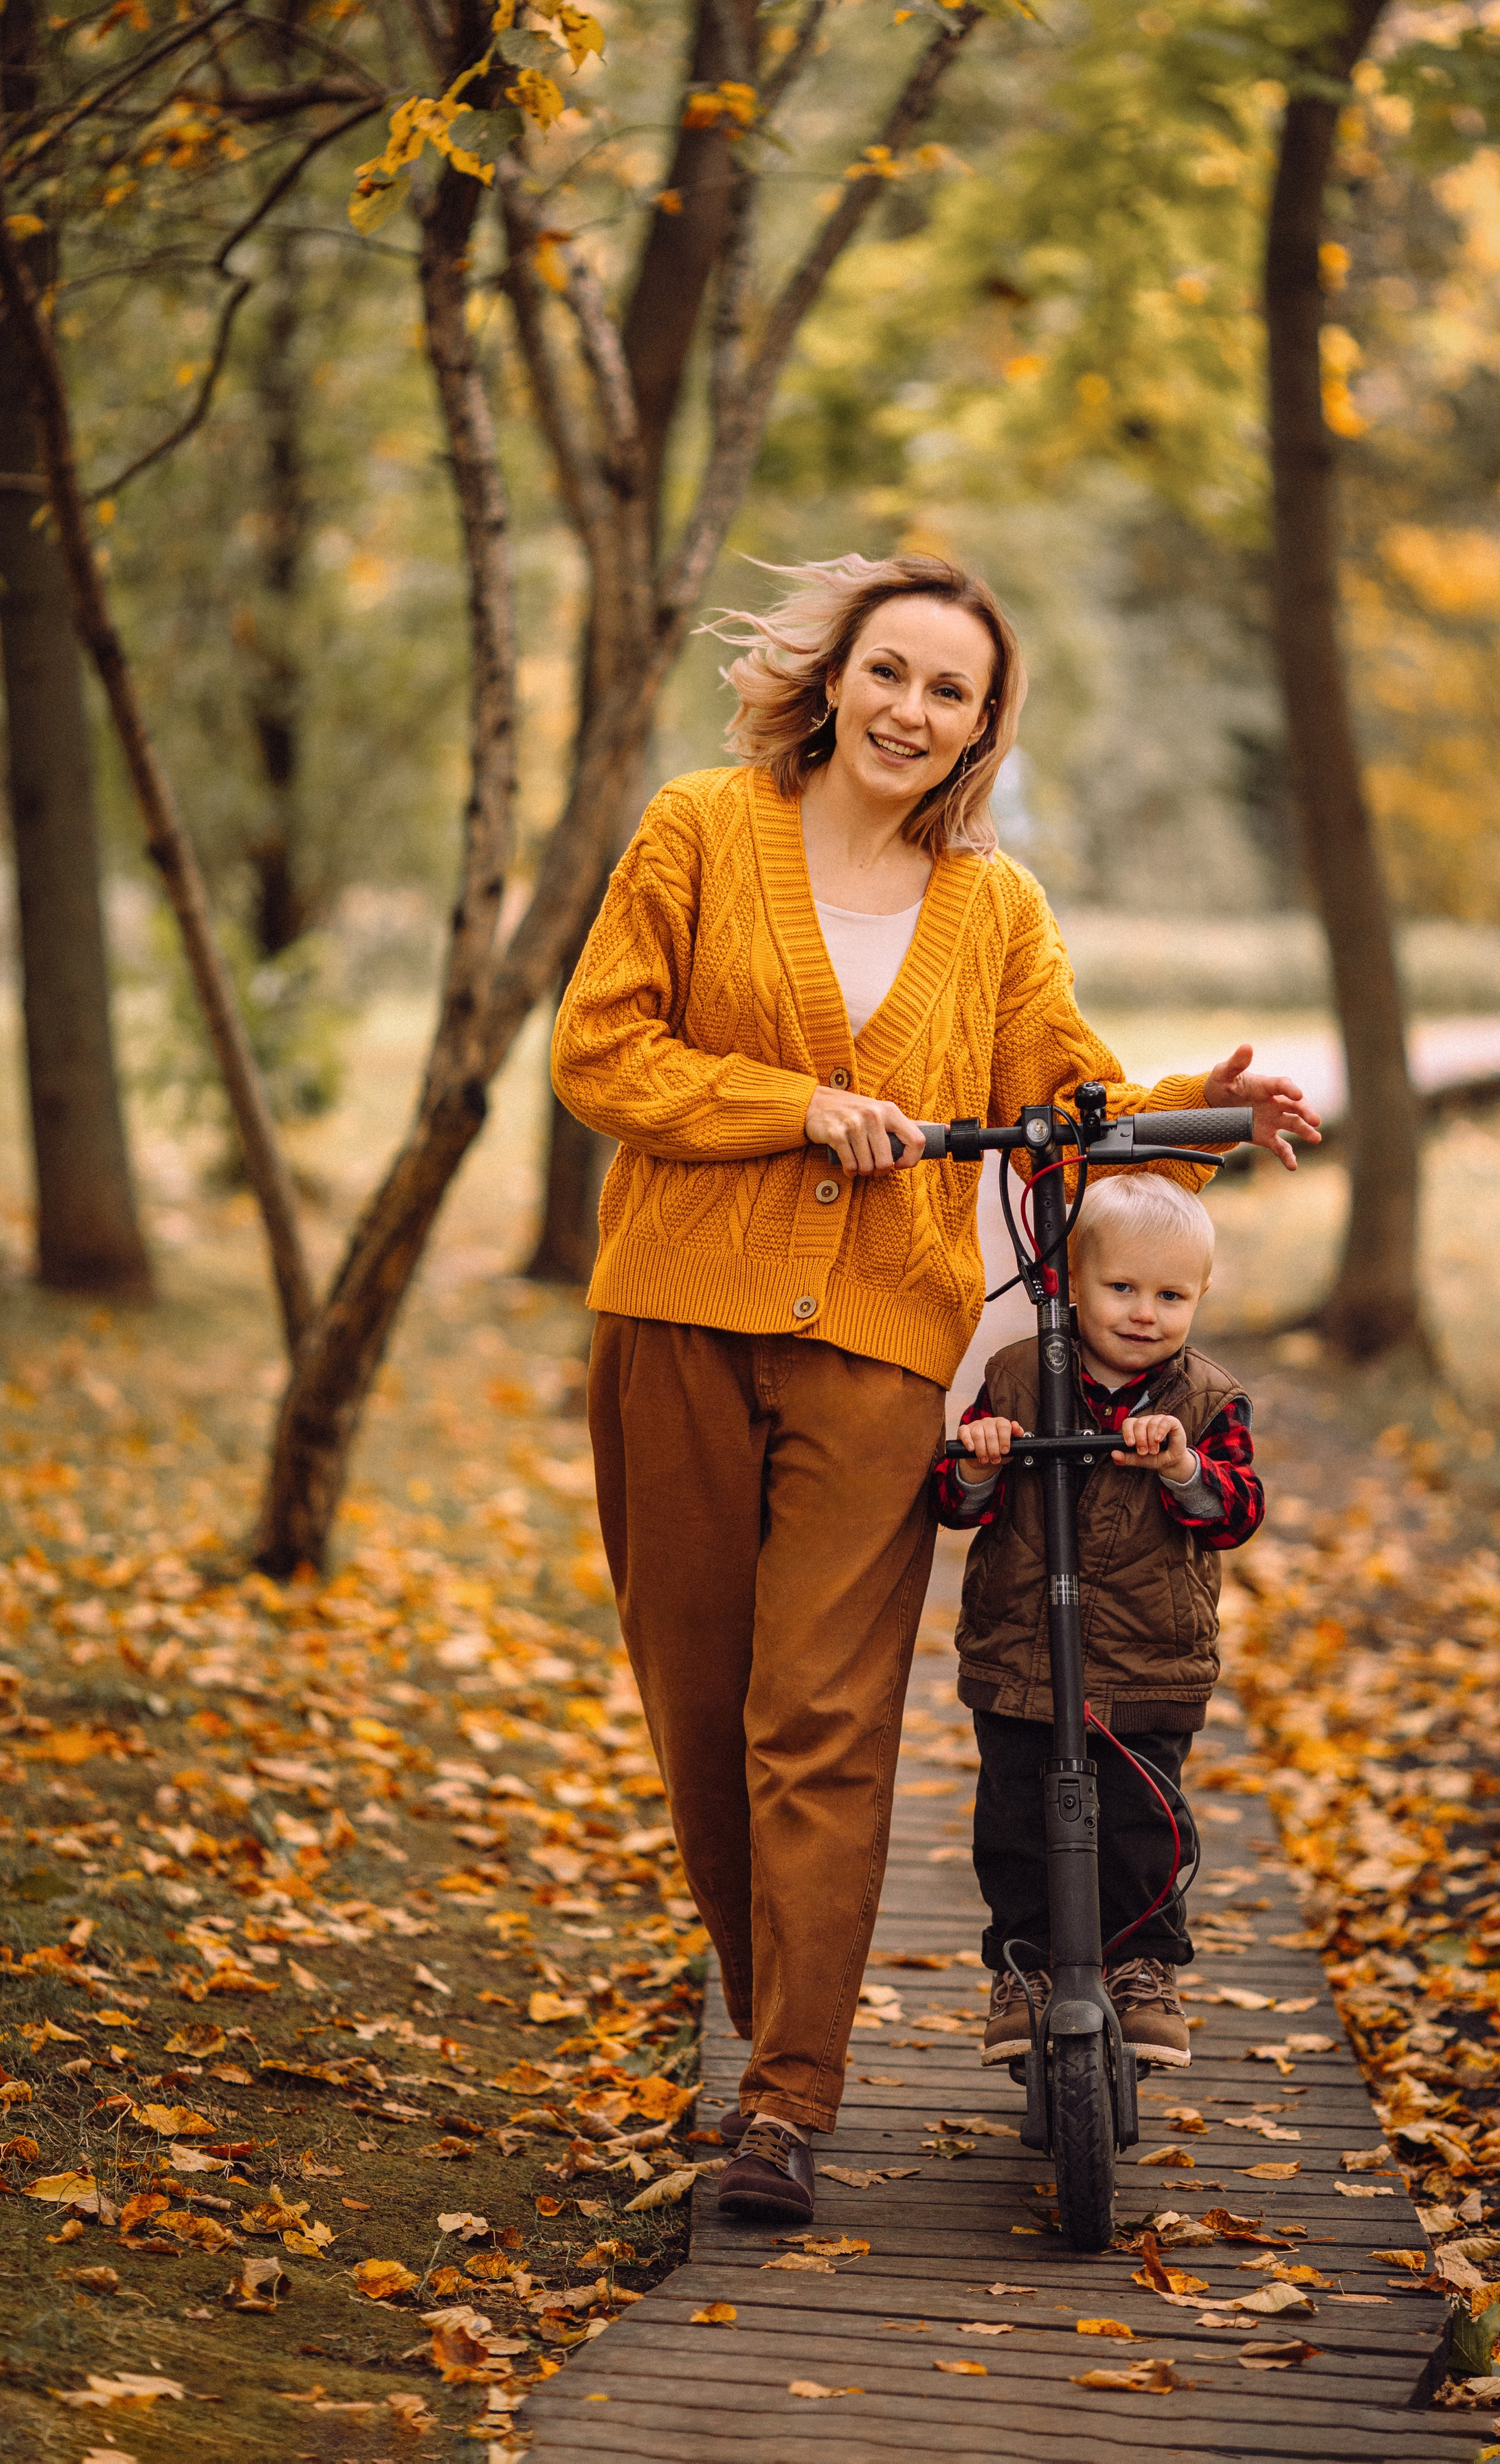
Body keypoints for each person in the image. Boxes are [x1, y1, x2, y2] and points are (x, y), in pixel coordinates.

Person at [550, 551, 1319, 2223]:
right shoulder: (697, 828)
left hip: (878, 1346)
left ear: (980, 726)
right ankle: (767, 2010)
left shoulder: (990, 907)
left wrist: (1195, 1107)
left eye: (949, 690)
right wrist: (791, 1104)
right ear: (833, 678)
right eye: (888, 671)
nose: (911, 709)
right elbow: (598, 1055)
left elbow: (1068, 1098)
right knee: (700, 1704)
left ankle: (785, 2099)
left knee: (818, 1716)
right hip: (676, 1317)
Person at [934, 1172, 1263, 2071]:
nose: (1145, 1313)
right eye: (1123, 1288)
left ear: (1201, 1296)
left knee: (1140, 1824)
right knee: (1013, 1823)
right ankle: (1025, 1969)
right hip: (1022, 1655)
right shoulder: (1014, 1378)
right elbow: (951, 1504)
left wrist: (1183, 1468)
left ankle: (1143, 1966)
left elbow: (1237, 1512)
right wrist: (980, 1462)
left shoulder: (1209, 1400)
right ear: (1072, 1281)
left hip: (1146, 1660)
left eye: (1172, 1296)